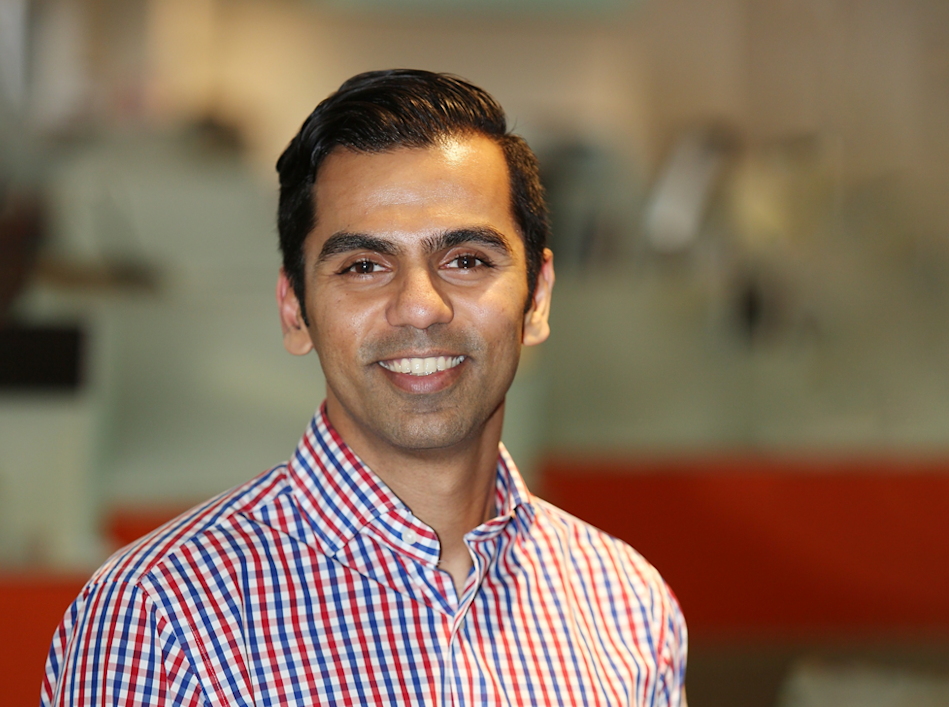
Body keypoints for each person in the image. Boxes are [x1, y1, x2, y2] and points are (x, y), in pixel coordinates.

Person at [40, 69, 687, 706]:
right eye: (364, 266)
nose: (421, 306)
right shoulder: (159, 623)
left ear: (537, 298)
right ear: (295, 310)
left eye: (466, 260)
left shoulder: (627, 606)